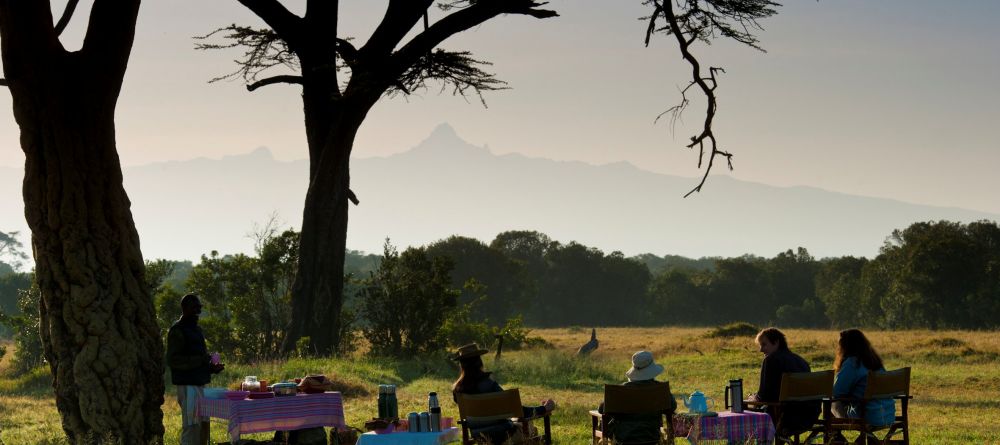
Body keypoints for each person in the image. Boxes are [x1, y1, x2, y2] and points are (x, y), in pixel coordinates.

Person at [451, 343, 556, 445]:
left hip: (480, 439)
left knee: (518, 423)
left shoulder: (458, 390)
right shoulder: (489, 385)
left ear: (462, 365)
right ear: (479, 362)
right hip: (505, 437)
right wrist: (544, 408)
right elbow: (520, 411)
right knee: (531, 428)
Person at [166, 293, 225, 445]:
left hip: (199, 385)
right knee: (192, 427)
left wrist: (211, 368)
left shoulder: (196, 330)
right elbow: (173, 360)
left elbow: (198, 359)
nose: (198, 311)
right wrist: (201, 360)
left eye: (199, 307)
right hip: (188, 386)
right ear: (184, 309)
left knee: (203, 427)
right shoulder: (177, 331)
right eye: (194, 308)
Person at [747, 327, 819, 434]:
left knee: (745, 406)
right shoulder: (801, 361)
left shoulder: (770, 360)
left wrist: (752, 398)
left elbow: (764, 396)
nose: (761, 350)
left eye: (764, 344)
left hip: (782, 417)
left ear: (776, 342)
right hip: (808, 417)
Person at [597, 350, 677, 445]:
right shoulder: (660, 390)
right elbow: (672, 406)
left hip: (623, 439)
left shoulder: (620, 391)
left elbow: (601, 409)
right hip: (652, 438)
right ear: (652, 370)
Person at [832, 329, 895, 426]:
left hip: (866, 416)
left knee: (831, 403)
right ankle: (871, 441)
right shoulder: (875, 362)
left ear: (845, 346)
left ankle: (837, 440)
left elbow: (836, 392)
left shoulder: (852, 363)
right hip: (888, 415)